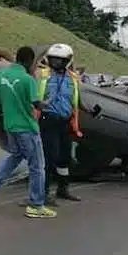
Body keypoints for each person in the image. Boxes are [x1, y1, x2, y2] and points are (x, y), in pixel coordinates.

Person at [0, 46, 56, 219]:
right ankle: (36, 205)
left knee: (16, 155)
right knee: (37, 167)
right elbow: (36, 104)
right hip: (27, 127)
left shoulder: (0, 76)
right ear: (28, 61)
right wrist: (48, 103)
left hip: (10, 126)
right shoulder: (27, 80)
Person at [38, 43, 82, 205]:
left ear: (68, 61)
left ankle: (63, 189)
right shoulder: (42, 75)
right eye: (53, 59)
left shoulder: (73, 78)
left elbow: (76, 99)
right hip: (48, 120)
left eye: (60, 60)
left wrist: (89, 110)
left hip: (66, 122)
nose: (56, 63)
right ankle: (44, 193)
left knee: (65, 158)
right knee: (50, 158)